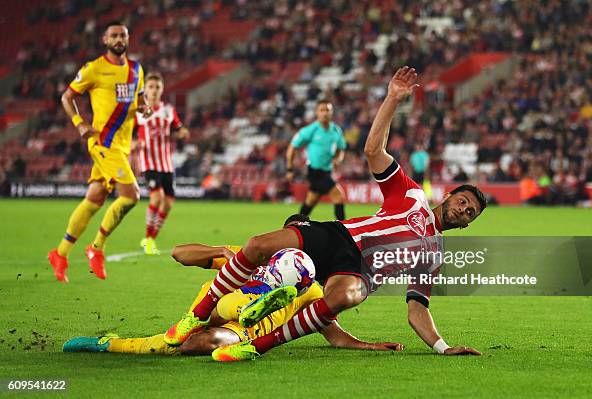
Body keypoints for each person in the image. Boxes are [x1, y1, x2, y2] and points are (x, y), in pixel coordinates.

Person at [164, 67, 487, 361]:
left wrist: (443, 347)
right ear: (448, 195)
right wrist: (392, 99)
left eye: (470, 212)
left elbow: (417, 308)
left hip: (356, 271)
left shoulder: (434, 255)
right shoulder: (412, 193)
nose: (464, 210)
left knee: (347, 295)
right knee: (258, 245)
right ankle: (198, 314)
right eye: (462, 201)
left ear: (469, 223)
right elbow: (374, 151)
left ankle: (255, 346)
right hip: (339, 236)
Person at [63, 215, 403, 356]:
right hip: (216, 304)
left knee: (202, 343)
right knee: (175, 338)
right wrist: (219, 252)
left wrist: (366, 345)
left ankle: (114, 345)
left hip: (244, 331)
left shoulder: (312, 288)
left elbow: (333, 333)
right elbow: (180, 254)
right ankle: (108, 343)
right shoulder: (247, 257)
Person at [47, 21, 150, 283]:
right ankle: (96, 247)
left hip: (122, 145)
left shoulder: (136, 69)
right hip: (103, 142)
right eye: (114, 35)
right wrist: (79, 123)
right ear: (105, 40)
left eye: (123, 35)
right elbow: (67, 97)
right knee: (131, 195)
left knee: (94, 199)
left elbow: (139, 99)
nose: (118, 39)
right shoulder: (93, 69)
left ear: (128, 39)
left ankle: (60, 253)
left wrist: (144, 107)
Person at [135, 73, 189, 255]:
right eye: (150, 87)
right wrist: (132, 144)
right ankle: (148, 239)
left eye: (157, 87)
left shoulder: (168, 110)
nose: (154, 91)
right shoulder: (139, 111)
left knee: (168, 203)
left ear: (162, 89)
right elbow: (126, 134)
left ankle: (151, 238)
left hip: (166, 163)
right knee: (156, 198)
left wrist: (182, 133)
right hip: (149, 161)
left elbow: (178, 128)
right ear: (145, 90)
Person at [286, 100, 347, 220]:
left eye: (327, 110)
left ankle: (296, 223)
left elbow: (341, 149)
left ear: (332, 112)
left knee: (311, 200)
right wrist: (289, 168)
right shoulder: (310, 130)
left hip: (327, 171)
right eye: (322, 110)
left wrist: (337, 159)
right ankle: (344, 229)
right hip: (315, 171)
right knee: (338, 196)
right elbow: (292, 147)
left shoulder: (336, 130)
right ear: (317, 113)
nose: (325, 113)